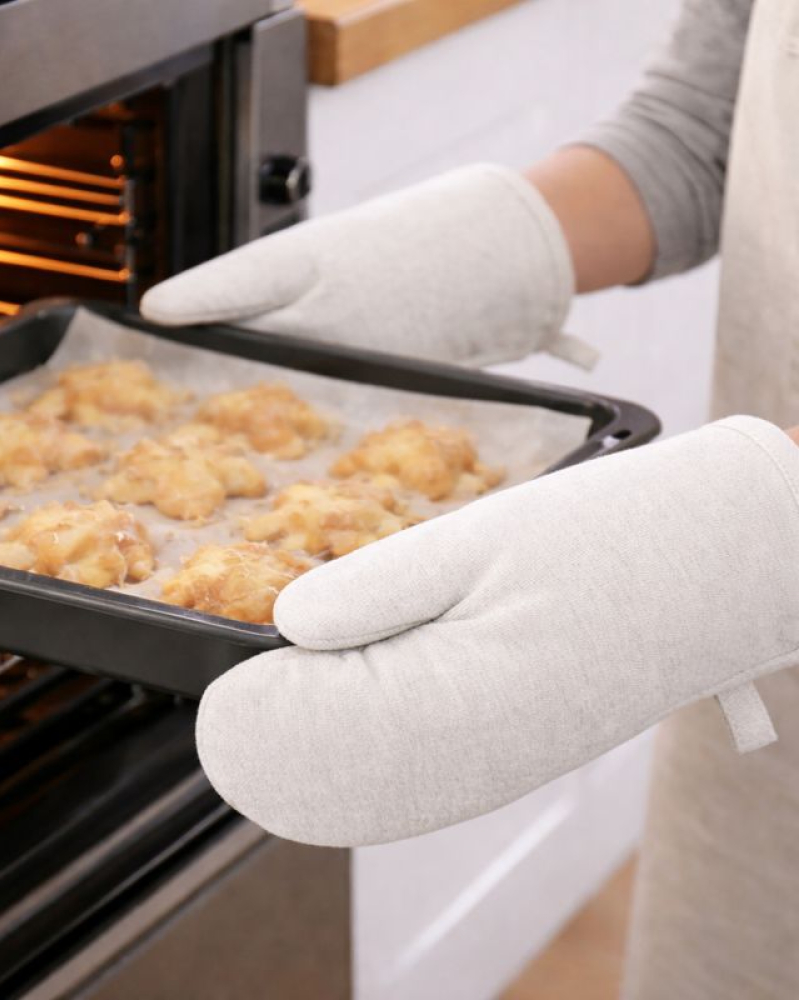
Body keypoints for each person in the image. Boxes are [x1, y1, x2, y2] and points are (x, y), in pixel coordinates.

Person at [141, 1, 799, 996]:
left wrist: (731, 542)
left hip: (747, 572)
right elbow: (719, 128)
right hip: (764, 692)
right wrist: (483, 245)